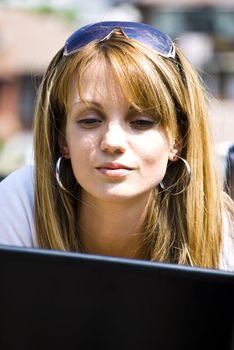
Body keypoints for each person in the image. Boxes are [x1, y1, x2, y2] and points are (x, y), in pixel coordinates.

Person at [0, 21, 233, 271]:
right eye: (89, 121)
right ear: (62, 137)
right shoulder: (19, 202)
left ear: (178, 139)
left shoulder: (220, 234)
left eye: (141, 122)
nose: (112, 142)